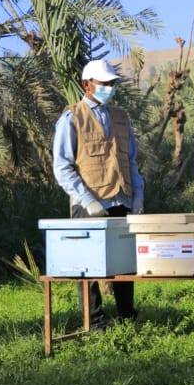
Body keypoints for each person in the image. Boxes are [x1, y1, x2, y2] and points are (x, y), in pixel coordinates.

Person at [52, 59, 142, 329]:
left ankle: (127, 317)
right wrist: (87, 199)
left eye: (112, 83)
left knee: (124, 263)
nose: (109, 88)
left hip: (121, 198)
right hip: (88, 204)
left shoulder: (121, 117)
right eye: (104, 83)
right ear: (86, 85)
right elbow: (62, 166)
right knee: (87, 266)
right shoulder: (72, 117)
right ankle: (94, 322)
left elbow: (131, 161)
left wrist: (138, 195)